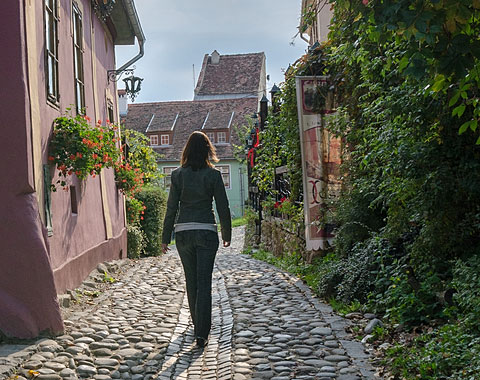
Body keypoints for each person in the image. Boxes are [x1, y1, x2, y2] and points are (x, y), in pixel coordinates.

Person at [161, 131, 231, 349]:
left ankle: (196, 325)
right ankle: (202, 332)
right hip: (206, 232)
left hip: (183, 234)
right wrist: (226, 234)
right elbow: (222, 207)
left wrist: (165, 238)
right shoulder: (214, 175)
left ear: (187, 150)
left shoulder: (177, 175)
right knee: (204, 283)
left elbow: (171, 207)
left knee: (191, 281)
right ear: (208, 150)